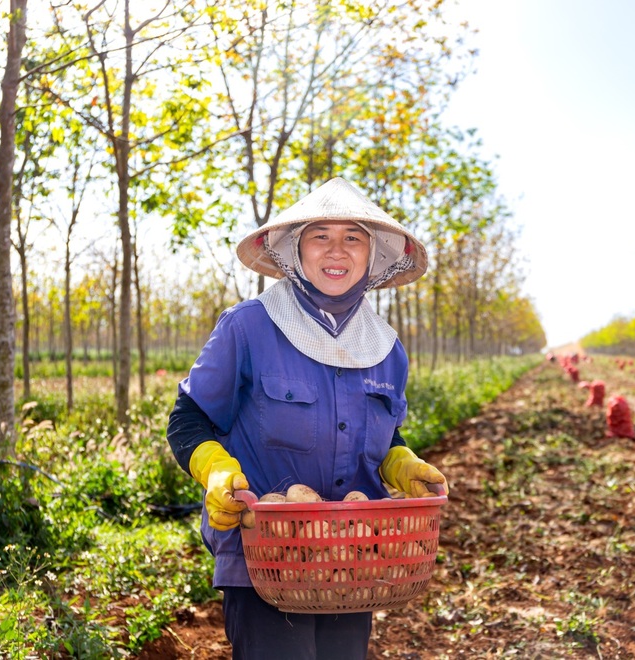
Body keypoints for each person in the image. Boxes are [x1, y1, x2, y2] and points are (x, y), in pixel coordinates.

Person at [166, 177, 450, 660]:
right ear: (295, 251)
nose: (337, 251)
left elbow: (384, 432)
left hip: (353, 559)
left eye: (353, 237)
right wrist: (214, 470)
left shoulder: (386, 348)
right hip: (264, 555)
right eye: (320, 236)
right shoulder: (249, 326)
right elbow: (188, 417)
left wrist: (399, 461)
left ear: (373, 255)